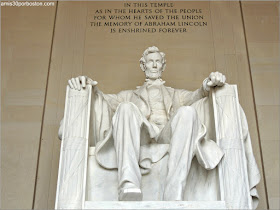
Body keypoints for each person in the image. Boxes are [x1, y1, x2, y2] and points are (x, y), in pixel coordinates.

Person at [65, 46, 225, 201]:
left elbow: (197, 95)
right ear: (143, 65)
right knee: (126, 108)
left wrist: (208, 83)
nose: (154, 65)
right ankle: (128, 183)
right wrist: (87, 85)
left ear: (163, 65)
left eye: (158, 61)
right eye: (150, 61)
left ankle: (174, 190)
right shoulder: (127, 95)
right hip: (142, 134)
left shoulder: (176, 94)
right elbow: (103, 99)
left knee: (187, 112)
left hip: (166, 135)